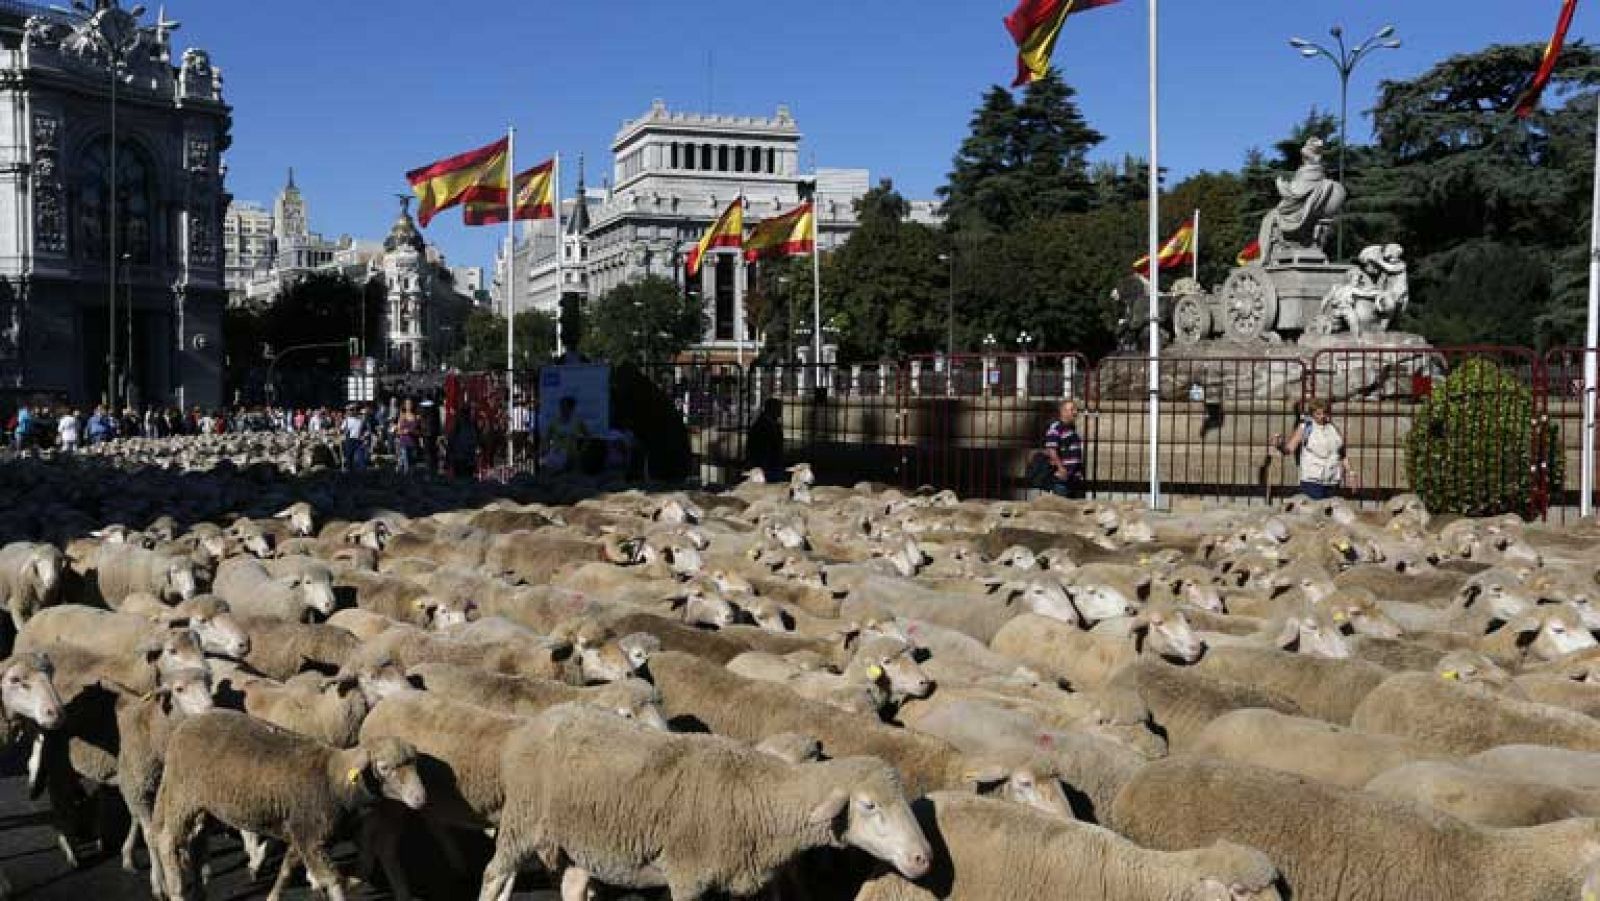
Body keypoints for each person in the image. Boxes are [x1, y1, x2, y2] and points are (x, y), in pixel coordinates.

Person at [1272, 397, 1345, 500]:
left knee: (1329, 508)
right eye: (1318, 414)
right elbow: (1289, 449)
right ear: (1312, 414)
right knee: (1314, 508)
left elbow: (1342, 453)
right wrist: (1279, 445)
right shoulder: (1306, 427)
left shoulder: (1332, 427)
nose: (1322, 416)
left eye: (1324, 413)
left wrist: (1351, 472)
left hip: (1332, 480)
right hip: (1312, 480)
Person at [1041, 399, 1085, 498]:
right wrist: (1061, 468)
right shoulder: (1056, 428)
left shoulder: (1071, 428)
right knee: (1061, 505)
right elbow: (1051, 449)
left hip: (1075, 478)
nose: (1075, 412)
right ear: (1063, 412)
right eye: (1072, 409)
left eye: (1076, 410)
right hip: (1062, 479)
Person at [745, 397, 785, 482]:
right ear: (772, 409)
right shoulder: (762, 426)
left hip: (771, 467)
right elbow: (759, 449)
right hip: (766, 468)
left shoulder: (771, 424)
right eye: (778, 408)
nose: (780, 412)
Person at [447, 403, 479, 479]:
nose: (474, 413)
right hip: (465, 459)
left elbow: (451, 441)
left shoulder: (458, 424)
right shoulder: (469, 425)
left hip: (461, 458)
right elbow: (473, 441)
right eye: (472, 411)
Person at [394, 399, 419, 475]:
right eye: (407, 404)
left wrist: (412, 432)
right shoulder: (402, 416)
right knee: (406, 461)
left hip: (413, 442)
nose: (409, 405)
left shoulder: (416, 417)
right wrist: (403, 432)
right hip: (404, 442)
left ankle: (409, 477)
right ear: (405, 405)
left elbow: (419, 431)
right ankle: (405, 475)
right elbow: (397, 431)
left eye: (410, 404)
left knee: (412, 462)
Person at [341, 405, 366, 472]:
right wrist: (344, 431)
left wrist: (364, 436)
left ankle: (360, 471)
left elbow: (364, 430)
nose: (351, 411)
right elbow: (342, 429)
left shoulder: (360, 420)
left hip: (358, 440)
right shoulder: (346, 420)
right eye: (350, 410)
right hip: (350, 440)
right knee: (349, 456)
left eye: (353, 410)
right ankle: (349, 471)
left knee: (359, 457)